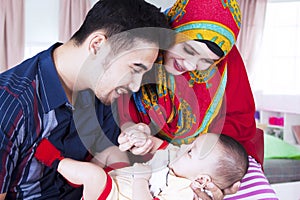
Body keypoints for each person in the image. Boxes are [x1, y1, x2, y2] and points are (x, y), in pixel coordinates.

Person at [0, 0, 174, 199]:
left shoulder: (106, 92)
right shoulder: (11, 104)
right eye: (135, 69)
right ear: (97, 45)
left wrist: (137, 134)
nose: (135, 86)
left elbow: (122, 159)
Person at [117, 0, 278, 199]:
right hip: (148, 152)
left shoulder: (227, 57)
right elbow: (116, 110)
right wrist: (133, 130)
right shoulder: (143, 46)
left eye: (206, 62)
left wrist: (211, 169)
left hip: (209, 158)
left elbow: (239, 125)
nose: (191, 66)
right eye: (188, 50)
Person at [34, 132, 249, 200]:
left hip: (118, 195)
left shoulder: (182, 193)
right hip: (120, 180)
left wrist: (141, 180)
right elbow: (160, 147)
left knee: (94, 176)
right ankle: (77, 183)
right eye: (190, 143)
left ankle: (54, 160)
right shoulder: (180, 161)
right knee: (112, 153)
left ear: (201, 179)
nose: (185, 148)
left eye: (191, 151)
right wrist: (141, 138)